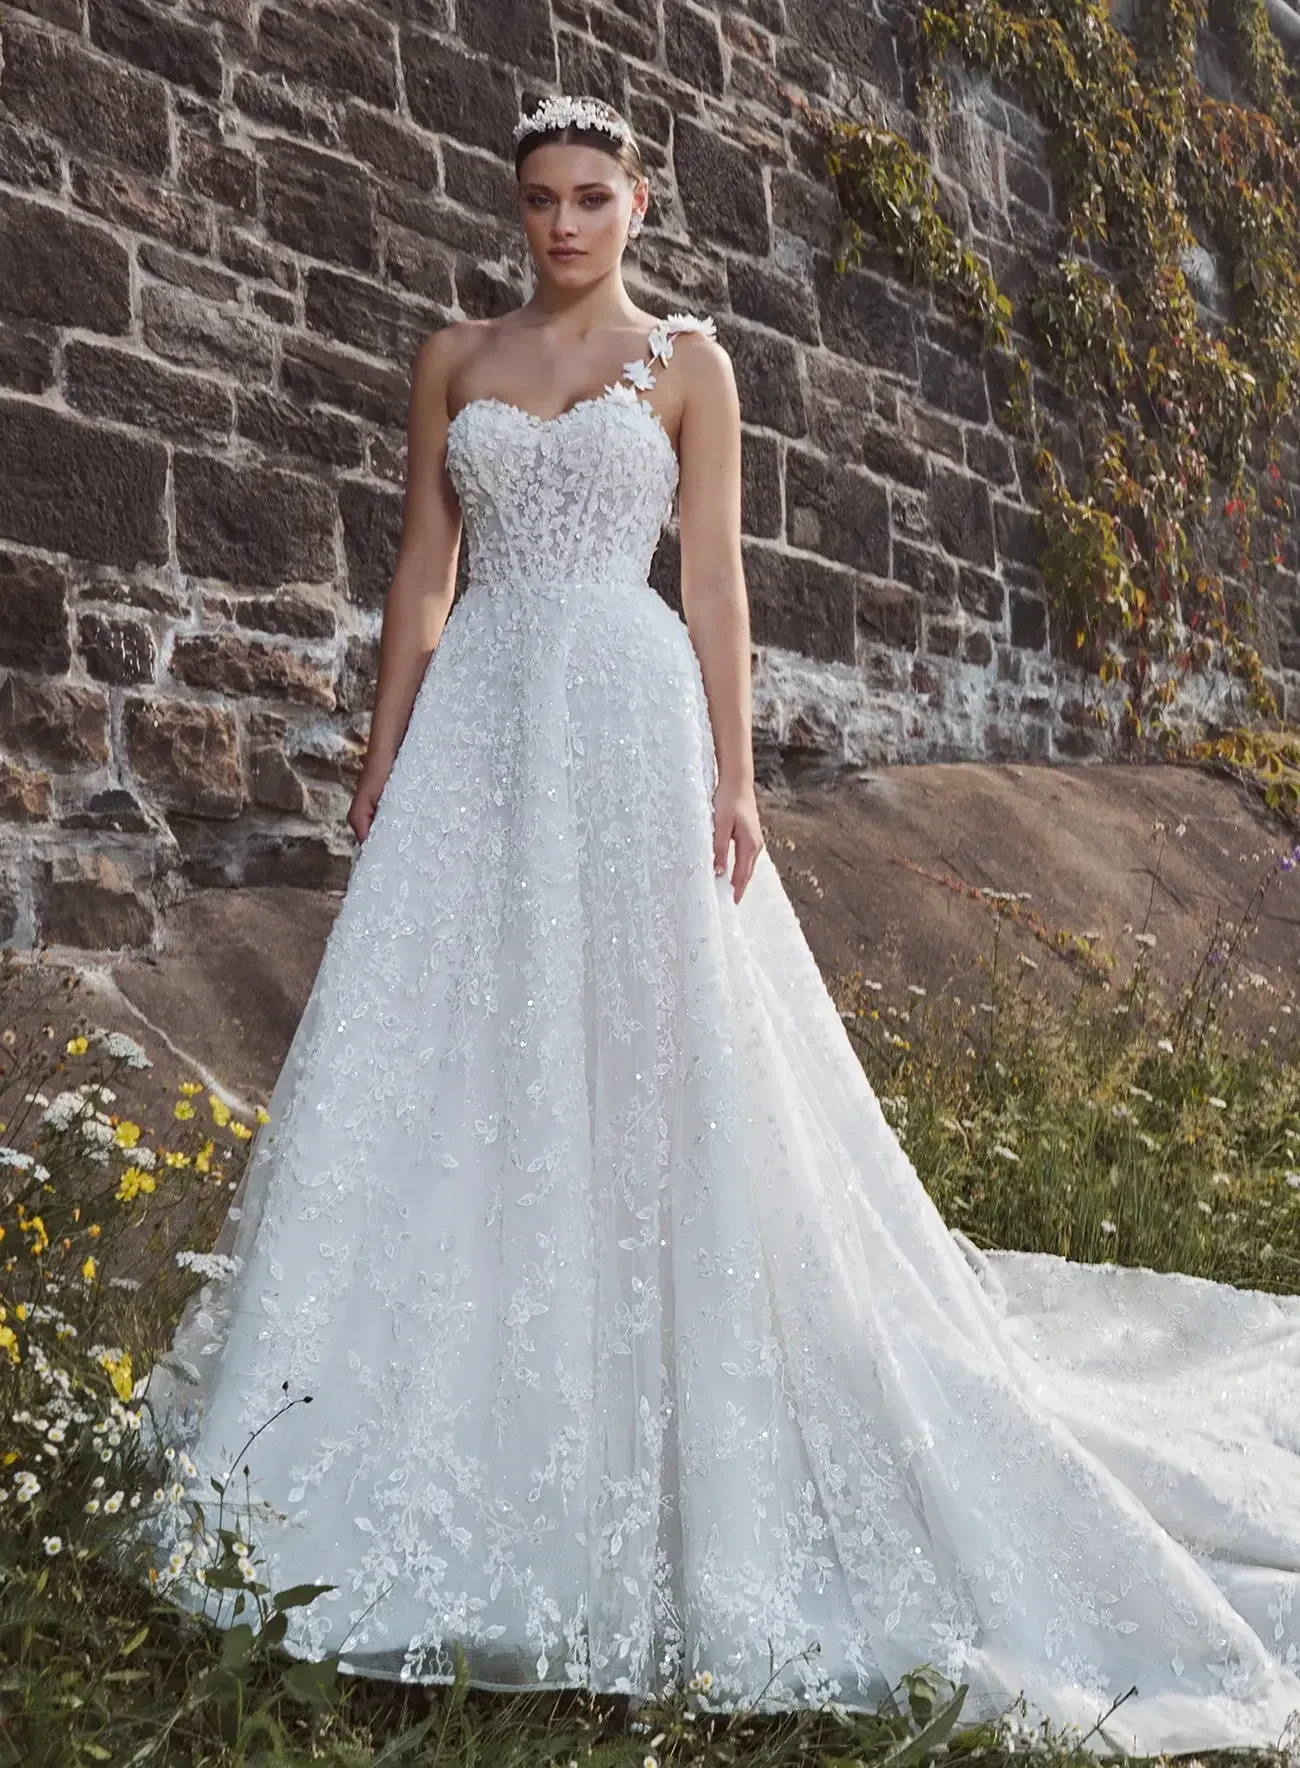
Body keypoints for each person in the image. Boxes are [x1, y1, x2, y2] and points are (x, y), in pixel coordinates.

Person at [140, 94, 1300, 1754]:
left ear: (640, 202)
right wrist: (381, 761)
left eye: (591, 198)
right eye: (537, 199)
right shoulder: (451, 357)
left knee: (649, 1038)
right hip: (478, 734)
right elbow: (419, 578)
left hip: (625, 717)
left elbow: (715, 582)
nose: (560, 225)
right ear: (513, 207)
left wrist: (739, 780)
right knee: (450, 1050)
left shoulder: (690, 362)